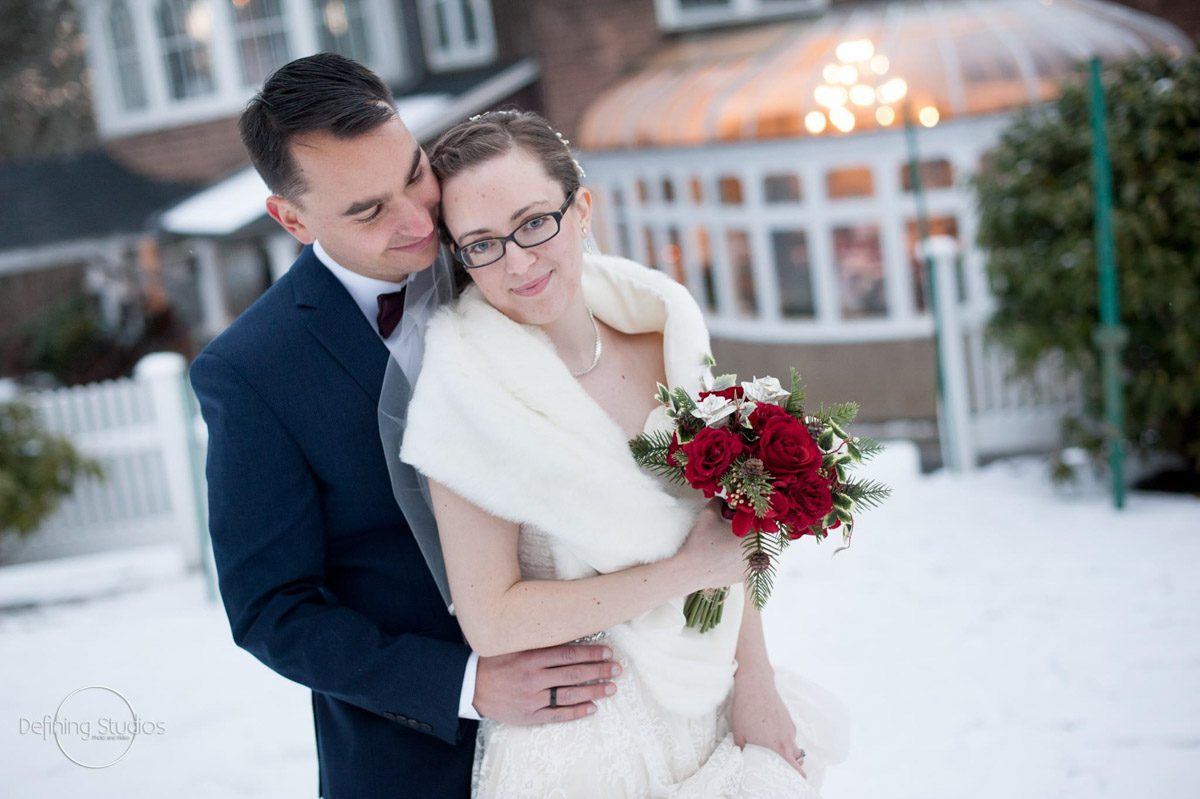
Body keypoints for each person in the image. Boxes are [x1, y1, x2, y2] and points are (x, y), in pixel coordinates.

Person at [190, 53, 749, 799]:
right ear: (292, 219)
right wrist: (463, 682)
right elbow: (272, 609)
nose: (420, 221)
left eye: (413, 174)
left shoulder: (508, 251)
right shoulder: (254, 370)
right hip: (412, 756)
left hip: (631, 712)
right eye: (368, 210)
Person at [398, 110, 849, 797]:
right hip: (586, 740)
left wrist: (754, 679)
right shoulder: (465, 392)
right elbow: (491, 619)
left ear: (580, 208)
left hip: (712, 699)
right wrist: (685, 569)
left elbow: (728, 528)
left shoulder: (661, 330)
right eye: (482, 244)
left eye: (532, 223)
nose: (517, 262)